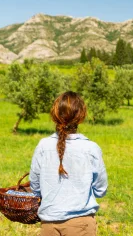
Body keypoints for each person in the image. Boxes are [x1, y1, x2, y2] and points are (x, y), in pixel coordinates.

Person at [30, 91, 108, 236]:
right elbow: (101, 189)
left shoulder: (43, 146)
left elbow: (35, 186)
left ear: (55, 115)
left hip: (49, 224)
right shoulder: (91, 148)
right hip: (81, 225)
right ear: (81, 116)